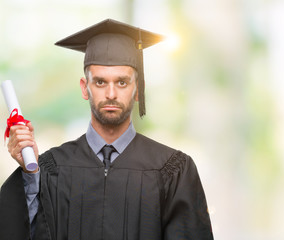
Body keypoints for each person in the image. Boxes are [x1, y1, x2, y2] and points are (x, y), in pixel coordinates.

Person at [0, 19, 213, 240]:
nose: (111, 94)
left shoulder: (172, 170)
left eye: (122, 82)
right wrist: (30, 175)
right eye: (100, 82)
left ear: (138, 89)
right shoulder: (51, 169)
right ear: (85, 88)